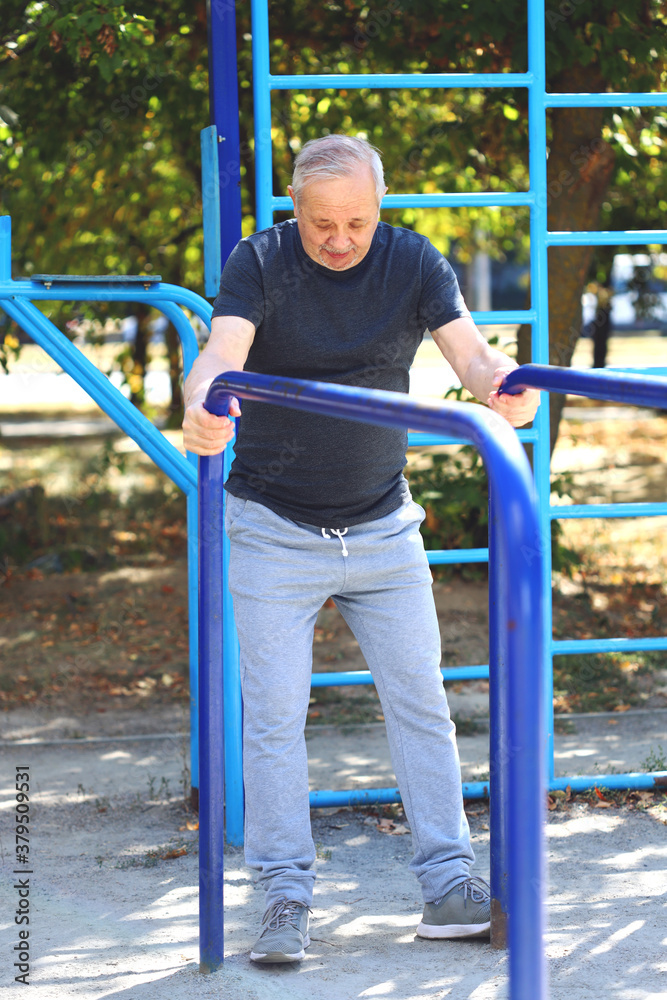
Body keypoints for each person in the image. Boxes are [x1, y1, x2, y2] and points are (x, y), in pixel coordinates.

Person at [183, 134, 540, 964]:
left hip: (382, 525)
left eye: (355, 222)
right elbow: (221, 354)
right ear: (294, 212)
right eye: (320, 224)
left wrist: (502, 386)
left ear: (379, 209)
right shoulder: (260, 260)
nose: (338, 239)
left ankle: (449, 884)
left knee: (423, 704)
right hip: (273, 527)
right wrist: (202, 401)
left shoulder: (413, 262)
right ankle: (281, 897)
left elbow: (472, 356)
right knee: (273, 720)